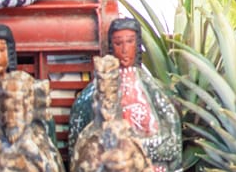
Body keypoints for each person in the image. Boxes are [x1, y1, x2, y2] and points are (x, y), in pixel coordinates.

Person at [69, 18, 181, 172]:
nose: (124, 49)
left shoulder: (154, 92)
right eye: (118, 43)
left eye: (130, 42)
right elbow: (78, 150)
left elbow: (173, 144)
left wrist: (137, 150)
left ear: (137, 44)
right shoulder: (90, 97)